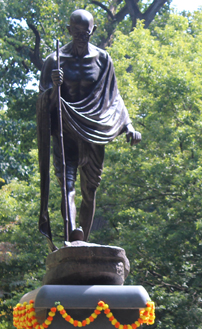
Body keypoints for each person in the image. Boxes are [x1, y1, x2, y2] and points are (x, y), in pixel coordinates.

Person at [37, 9, 141, 249]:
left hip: (94, 131)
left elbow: (113, 97)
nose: (81, 37)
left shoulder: (103, 59)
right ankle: (71, 233)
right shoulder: (54, 60)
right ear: (68, 30)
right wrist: (54, 88)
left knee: (90, 189)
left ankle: (84, 235)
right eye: (76, 32)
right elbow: (43, 103)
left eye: (85, 33)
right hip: (66, 131)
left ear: (92, 31)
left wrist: (128, 125)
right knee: (67, 184)